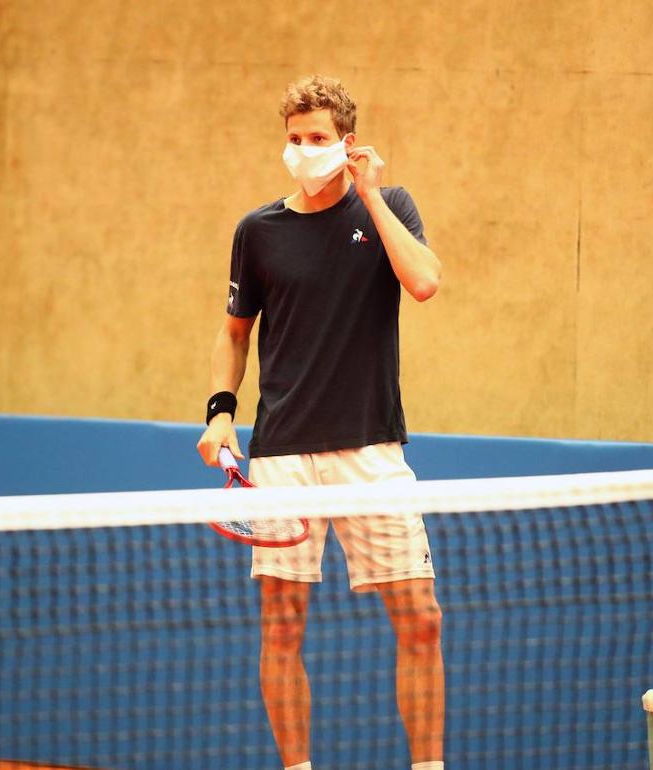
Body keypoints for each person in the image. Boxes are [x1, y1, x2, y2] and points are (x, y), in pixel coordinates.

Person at [196, 75, 445, 770]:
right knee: (281, 628)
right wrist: (221, 414)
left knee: (423, 621)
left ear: (348, 144)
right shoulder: (259, 232)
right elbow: (235, 333)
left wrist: (369, 194)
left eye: (317, 139)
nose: (302, 151)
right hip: (285, 458)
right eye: (294, 139)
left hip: (372, 451)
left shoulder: (388, 205)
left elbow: (423, 282)